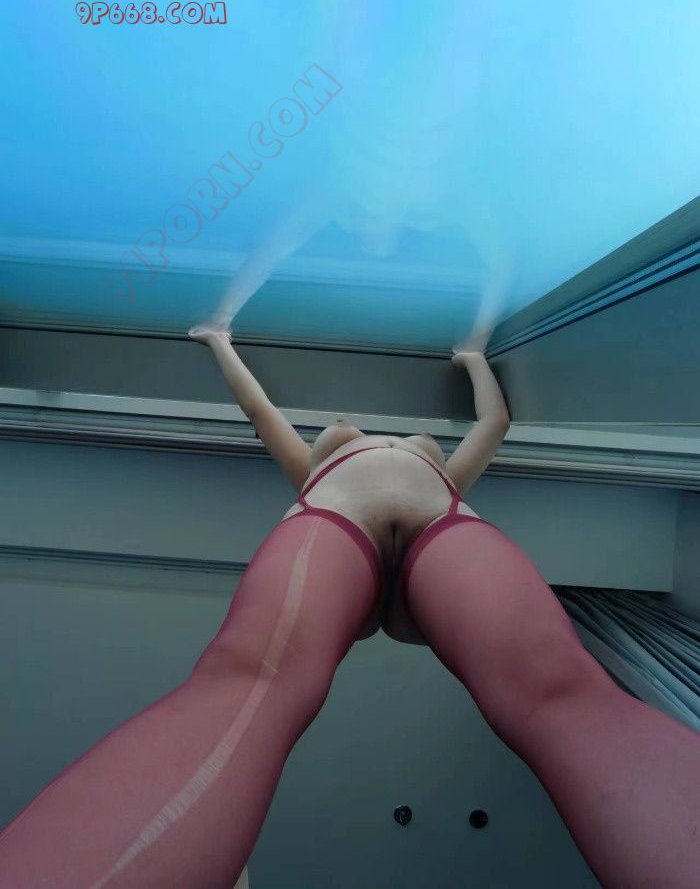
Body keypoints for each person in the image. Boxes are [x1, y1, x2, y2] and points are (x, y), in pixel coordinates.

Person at [0, 329, 698, 889]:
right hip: (375, 517)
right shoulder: (320, 470)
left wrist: (473, 355)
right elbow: (259, 413)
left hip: (400, 521)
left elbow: (496, 420)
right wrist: (219, 341)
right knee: (248, 680)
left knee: (559, 689)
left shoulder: (392, 473)